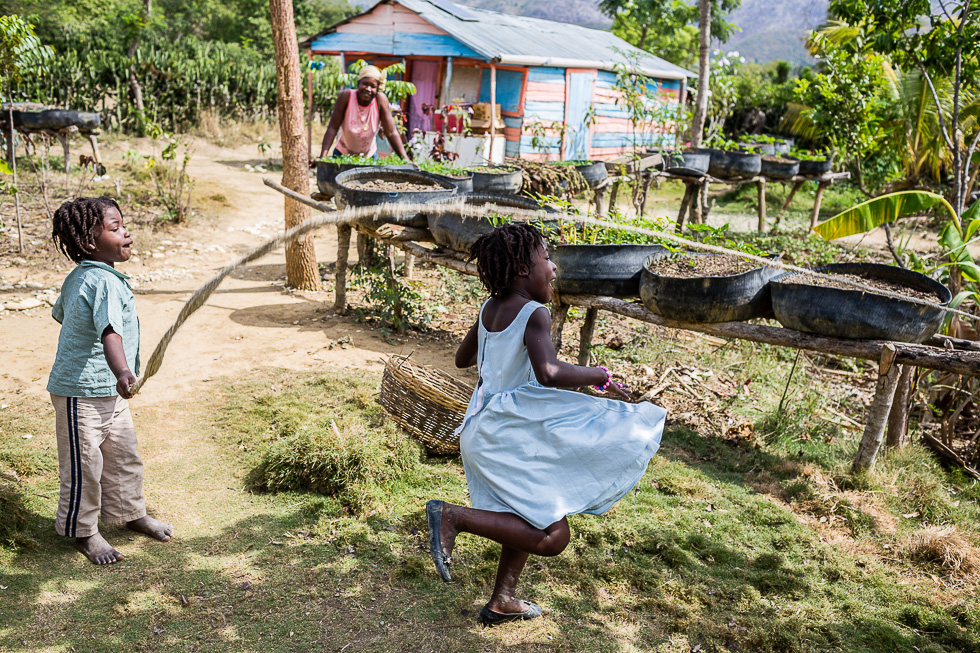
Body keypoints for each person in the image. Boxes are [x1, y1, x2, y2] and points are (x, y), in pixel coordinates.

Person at [426, 223, 666, 625]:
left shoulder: (489, 308)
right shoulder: (534, 314)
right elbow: (549, 373)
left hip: (481, 427)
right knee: (554, 535)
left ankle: (503, 599)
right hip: (507, 431)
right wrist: (598, 374)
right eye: (545, 259)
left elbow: (462, 358)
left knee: (535, 506)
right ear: (523, 268)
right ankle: (454, 517)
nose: (553, 268)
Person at [48, 196, 173, 565]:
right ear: (89, 242)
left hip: (109, 392)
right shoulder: (100, 281)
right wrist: (122, 371)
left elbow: (62, 315)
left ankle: (130, 513)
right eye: (115, 227)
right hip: (81, 393)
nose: (126, 232)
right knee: (84, 465)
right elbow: (109, 333)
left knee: (123, 457)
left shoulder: (86, 277)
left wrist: (114, 376)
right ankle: (84, 532)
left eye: (124, 225)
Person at [319, 64, 411, 160]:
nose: (368, 89)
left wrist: (405, 159)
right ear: (358, 83)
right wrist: (323, 156)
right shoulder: (346, 96)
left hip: (368, 156)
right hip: (343, 154)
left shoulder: (380, 100)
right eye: (365, 84)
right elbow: (333, 127)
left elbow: (391, 132)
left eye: (373, 86)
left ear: (377, 88)